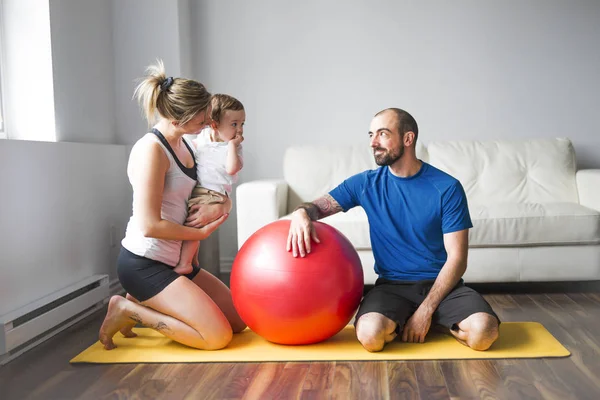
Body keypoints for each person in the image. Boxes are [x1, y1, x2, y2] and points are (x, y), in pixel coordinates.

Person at [286, 108, 499, 352]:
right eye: (370, 135)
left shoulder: (447, 187)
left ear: (408, 139)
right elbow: (316, 207)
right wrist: (301, 212)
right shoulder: (365, 183)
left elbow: (458, 259)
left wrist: (425, 311)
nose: (373, 143)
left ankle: (431, 322)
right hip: (391, 287)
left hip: (444, 287)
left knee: (484, 333)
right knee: (370, 337)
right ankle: (422, 323)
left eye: (383, 134)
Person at [99, 60, 246, 351]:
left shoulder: (188, 143)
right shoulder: (151, 150)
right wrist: (200, 235)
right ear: (179, 120)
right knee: (217, 337)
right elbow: (150, 226)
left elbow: (213, 186)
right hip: (145, 264)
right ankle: (127, 308)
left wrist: (223, 204)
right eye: (203, 118)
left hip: (178, 262)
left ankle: (141, 300)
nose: (208, 122)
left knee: (238, 321)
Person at [174, 94, 245, 274]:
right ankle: (193, 259)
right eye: (234, 124)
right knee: (192, 225)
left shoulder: (233, 147)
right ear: (214, 125)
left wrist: (232, 146)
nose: (240, 130)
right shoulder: (204, 137)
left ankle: (184, 263)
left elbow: (232, 169)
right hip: (200, 189)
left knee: (193, 226)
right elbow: (192, 147)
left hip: (214, 193)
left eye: (242, 124)